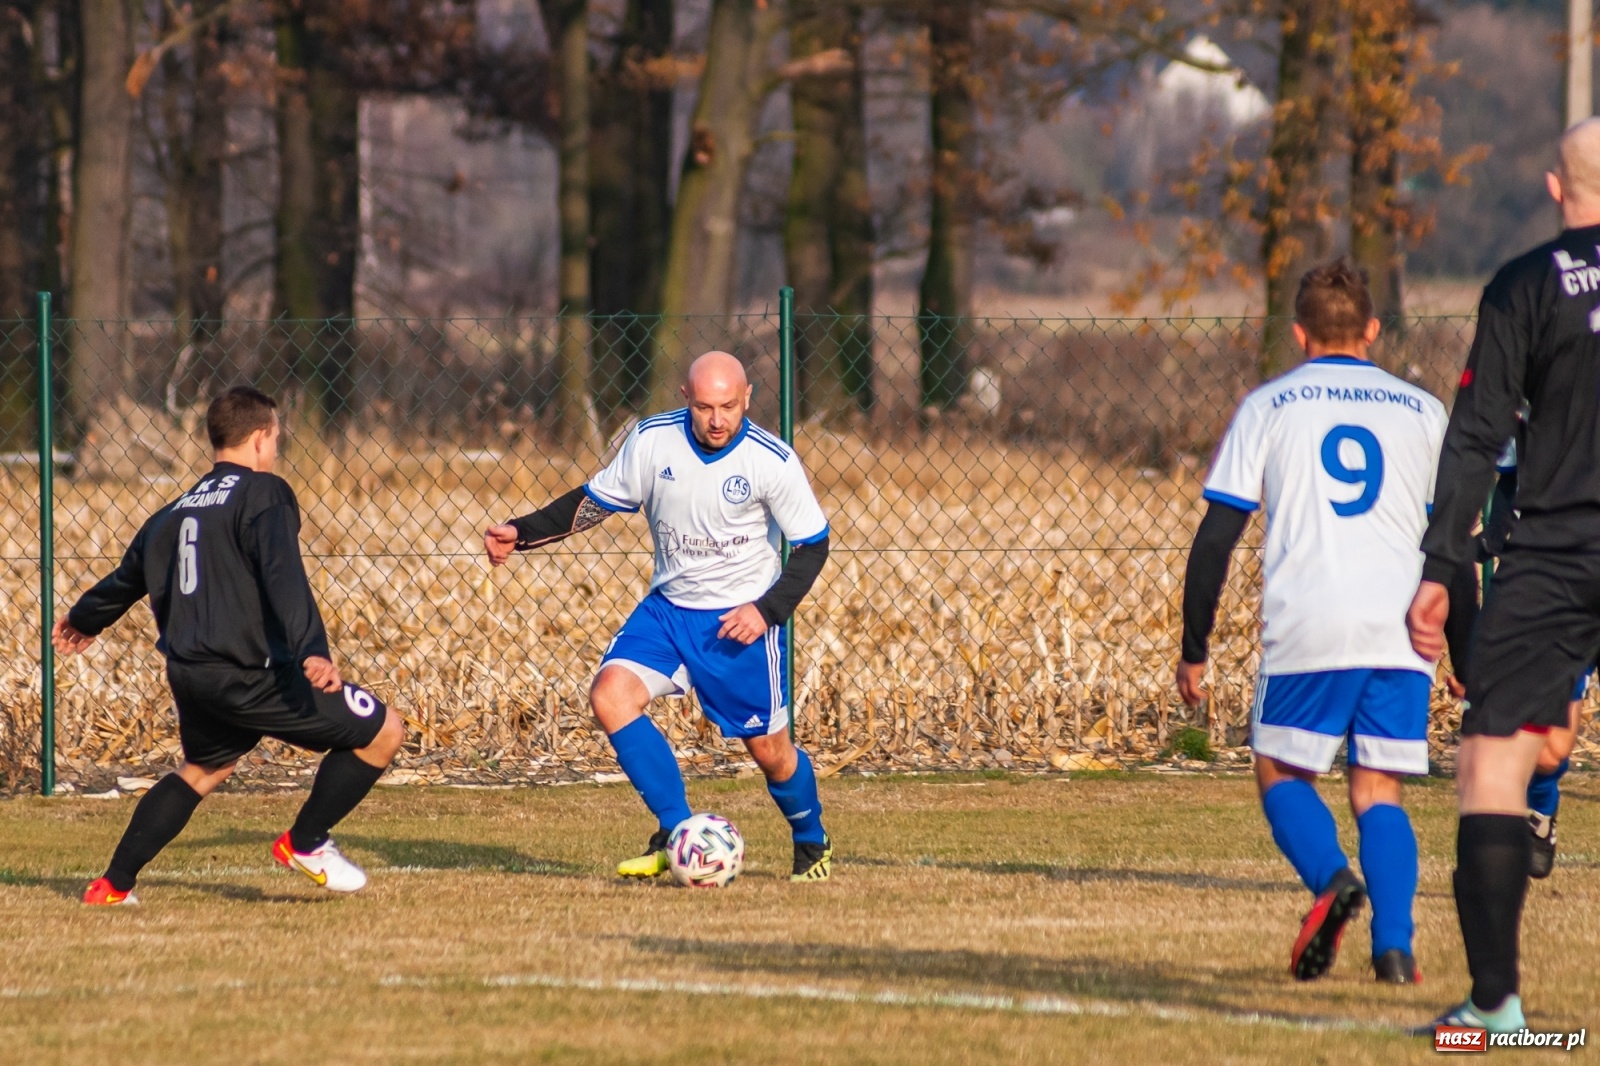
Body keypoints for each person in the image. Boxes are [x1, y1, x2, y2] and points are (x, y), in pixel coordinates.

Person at [1177, 260, 1466, 984]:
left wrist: (1194, 647)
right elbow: (1452, 543)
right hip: (1404, 626)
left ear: (1300, 334)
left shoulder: (1269, 405)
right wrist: (1466, 652)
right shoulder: (1423, 411)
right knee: (1378, 790)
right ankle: (1394, 950)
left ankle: (1333, 882)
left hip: (1310, 620)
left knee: (1280, 770)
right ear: (1372, 329)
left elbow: (1216, 538)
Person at [484, 351, 833, 881]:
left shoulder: (772, 460)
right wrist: (523, 531)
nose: (717, 420)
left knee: (771, 753)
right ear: (685, 398)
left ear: (747, 399)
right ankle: (676, 832)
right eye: (704, 407)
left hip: (738, 625)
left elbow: (813, 545)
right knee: (610, 696)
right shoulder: (652, 440)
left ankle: (811, 840)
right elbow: (595, 501)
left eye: (729, 407)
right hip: (667, 613)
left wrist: (766, 612)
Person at [55, 387, 406, 904]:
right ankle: (306, 843)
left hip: (191, 673)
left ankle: (113, 885)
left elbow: (126, 578)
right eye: (277, 437)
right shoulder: (264, 493)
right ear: (261, 437)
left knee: (204, 769)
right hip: (251, 674)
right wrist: (312, 648)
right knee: (384, 732)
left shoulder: (171, 513)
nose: (277, 448)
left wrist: (86, 619)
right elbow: (283, 574)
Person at [1407, 117, 1600, 1034]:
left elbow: (1479, 433)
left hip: (1556, 551)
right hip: (1559, 552)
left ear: (1557, 188)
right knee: (1543, 743)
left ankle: (1494, 1008)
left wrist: (1442, 565)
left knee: (1492, 760)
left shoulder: (1526, 285)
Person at [1470, 428, 1587, 879]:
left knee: (1553, 751)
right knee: (1542, 751)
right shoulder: (1536, 406)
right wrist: (1490, 539)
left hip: (1587, 585)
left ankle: (1540, 804)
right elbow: (1508, 480)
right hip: (1539, 584)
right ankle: (1536, 808)